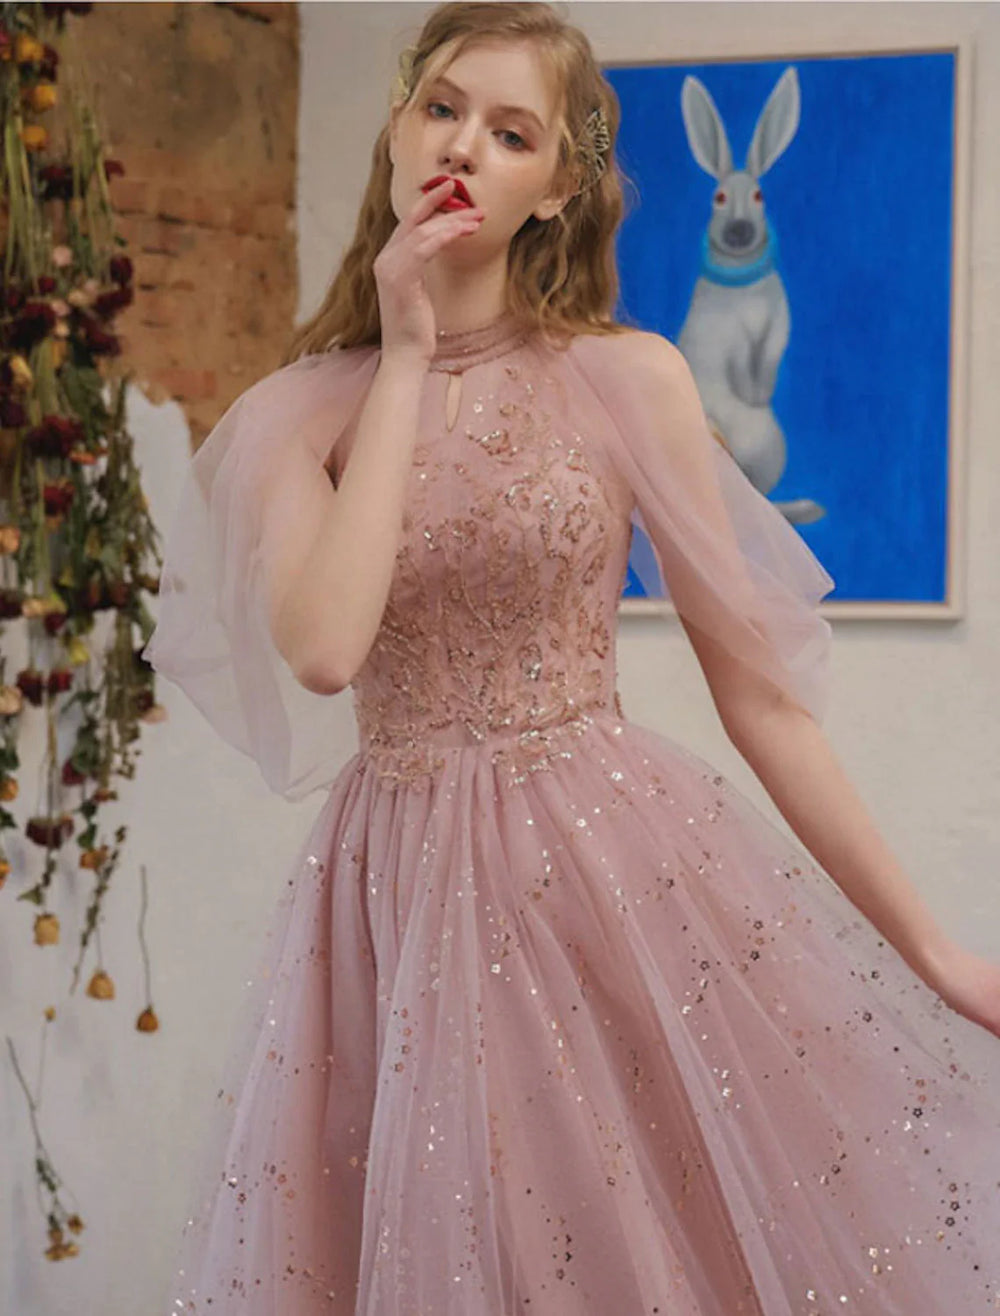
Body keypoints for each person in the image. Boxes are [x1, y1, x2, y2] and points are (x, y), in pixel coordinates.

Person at [145, 3, 1000, 1312]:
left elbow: (762, 702)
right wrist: (406, 353)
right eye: (442, 108)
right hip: (391, 904)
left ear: (555, 189)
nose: (463, 147)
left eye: (512, 132)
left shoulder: (629, 380)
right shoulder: (292, 414)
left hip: (600, 880)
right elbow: (322, 647)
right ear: (396, 130)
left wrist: (937, 954)